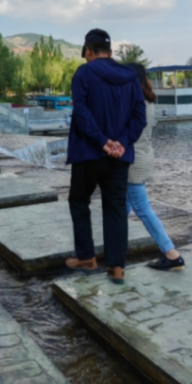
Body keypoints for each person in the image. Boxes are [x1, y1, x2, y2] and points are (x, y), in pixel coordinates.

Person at [65, 29, 147, 285]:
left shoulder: (84, 73)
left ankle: (87, 258)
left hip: (88, 153)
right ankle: (117, 267)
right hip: (120, 157)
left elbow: (81, 112)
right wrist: (121, 143)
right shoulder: (132, 78)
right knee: (115, 209)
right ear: (110, 53)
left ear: (88, 51)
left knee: (79, 201)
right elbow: (139, 118)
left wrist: (102, 142)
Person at [126, 63, 185, 271]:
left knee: (142, 209)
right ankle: (115, 250)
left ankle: (171, 254)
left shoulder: (133, 103)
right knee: (122, 207)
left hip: (132, 162)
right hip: (142, 157)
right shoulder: (147, 100)